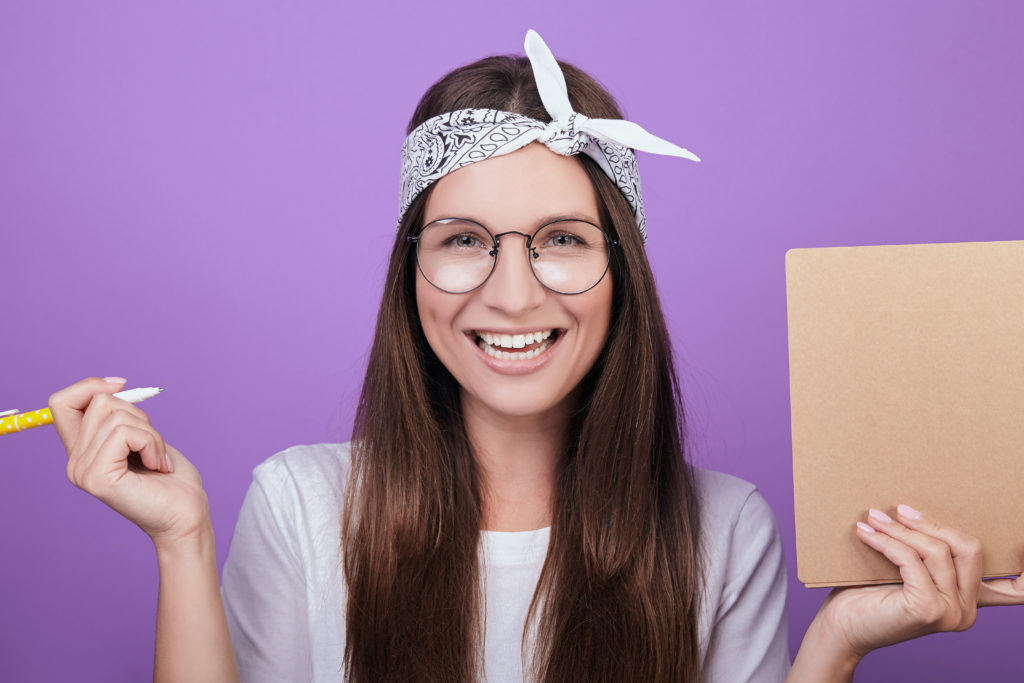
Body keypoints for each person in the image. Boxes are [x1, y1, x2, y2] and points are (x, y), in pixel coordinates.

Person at [48, 29, 1022, 683]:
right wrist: (180, 540)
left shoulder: (724, 526)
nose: (511, 293)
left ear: (619, 272)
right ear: (412, 273)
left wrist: (839, 640)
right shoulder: (304, 504)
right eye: (465, 239)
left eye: (560, 238)